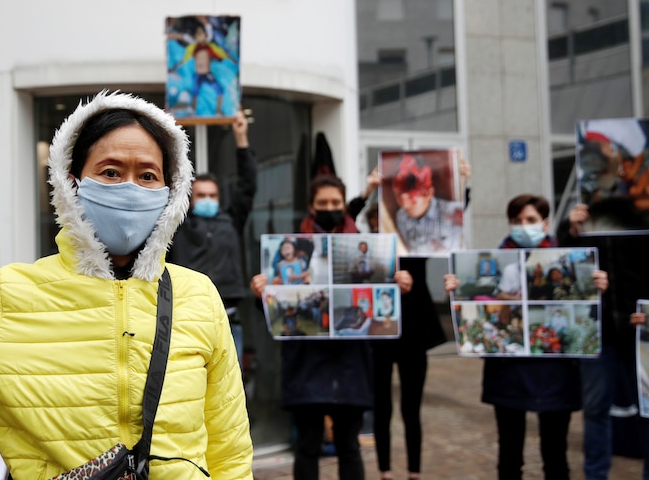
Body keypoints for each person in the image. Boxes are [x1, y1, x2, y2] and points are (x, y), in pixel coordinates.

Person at [0, 91, 253, 480]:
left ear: (171, 191)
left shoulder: (198, 295)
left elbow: (228, 448)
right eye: (110, 171)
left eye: (148, 175)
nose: (130, 188)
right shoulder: (12, 294)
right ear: (72, 183)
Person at [250, 173, 413, 480]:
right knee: (308, 446)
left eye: (335, 202)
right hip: (306, 363)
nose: (330, 207)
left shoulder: (369, 249)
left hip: (352, 363)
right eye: (323, 202)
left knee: (349, 446)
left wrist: (398, 287)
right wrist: (262, 294)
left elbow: (381, 308)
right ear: (311, 207)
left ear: (344, 204)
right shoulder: (292, 250)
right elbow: (277, 312)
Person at [445, 193, 608, 480]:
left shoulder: (566, 260)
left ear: (545, 224)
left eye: (530, 220)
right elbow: (487, 307)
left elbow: (583, 316)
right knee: (509, 454)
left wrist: (595, 288)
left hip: (555, 371)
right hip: (508, 371)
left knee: (555, 455)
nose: (523, 226)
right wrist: (458, 291)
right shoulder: (503, 264)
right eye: (516, 221)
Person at [348, 165, 457, 480]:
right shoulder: (365, 250)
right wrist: (367, 190)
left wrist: (461, 184)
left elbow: (450, 220)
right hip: (379, 331)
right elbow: (343, 222)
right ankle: (384, 472)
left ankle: (414, 473)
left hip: (414, 332)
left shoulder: (416, 242)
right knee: (381, 407)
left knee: (412, 409)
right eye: (374, 220)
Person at [560, 197, 649, 480]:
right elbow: (561, 270)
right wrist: (572, 231)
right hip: (596, 331)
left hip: (643, 328)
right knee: (595, 407)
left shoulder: (646, 213)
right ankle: (596, 475)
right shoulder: (585, 215)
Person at [167, 110, 257, 359]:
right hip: (186, 319)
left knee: (229, 390)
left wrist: (241, 137)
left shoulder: (231, 220)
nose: (207, 199)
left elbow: (248, 185)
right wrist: (168, 134)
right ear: (190, 199)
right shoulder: (178, 224)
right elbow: (169, 181)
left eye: (212, 195)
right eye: (201, 195)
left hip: (228, 318)